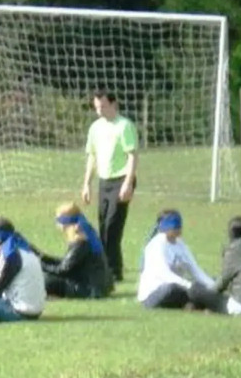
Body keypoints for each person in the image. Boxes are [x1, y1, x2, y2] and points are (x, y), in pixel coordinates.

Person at [80, 89, 139, 284]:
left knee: (113, 226)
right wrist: (87, 183)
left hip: (121, 180)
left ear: (114, 104)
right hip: (104, 181)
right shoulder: (95, 128)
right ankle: (107, 268)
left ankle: (114, 271)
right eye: (97, 107)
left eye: (103, 106)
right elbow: (92, 156)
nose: (99, 111)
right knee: (103, 225)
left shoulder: (125, 126)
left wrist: (128, 183)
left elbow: (132, 156)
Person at [137, 209, 218, 310]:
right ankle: (192, 304)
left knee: (209, 282)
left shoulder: (181, 244)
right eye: (175, 226)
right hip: (154, 294)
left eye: (179, 225)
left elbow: (195, 269)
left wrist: (214, 286)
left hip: (180, 286)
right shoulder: (156, 245)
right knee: (173, 288)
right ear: (166, 227)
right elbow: (165, 274)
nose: (179, 228)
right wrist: (189, 285)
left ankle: (194, 304)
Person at [39, 202, 114, 299]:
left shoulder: (80, 240)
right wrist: (43, 257)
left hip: (90, 289)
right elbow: (69, 263)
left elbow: (63, 270)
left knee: (45, 279)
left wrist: (41, 265)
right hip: (98, 285)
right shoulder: (87, 231)